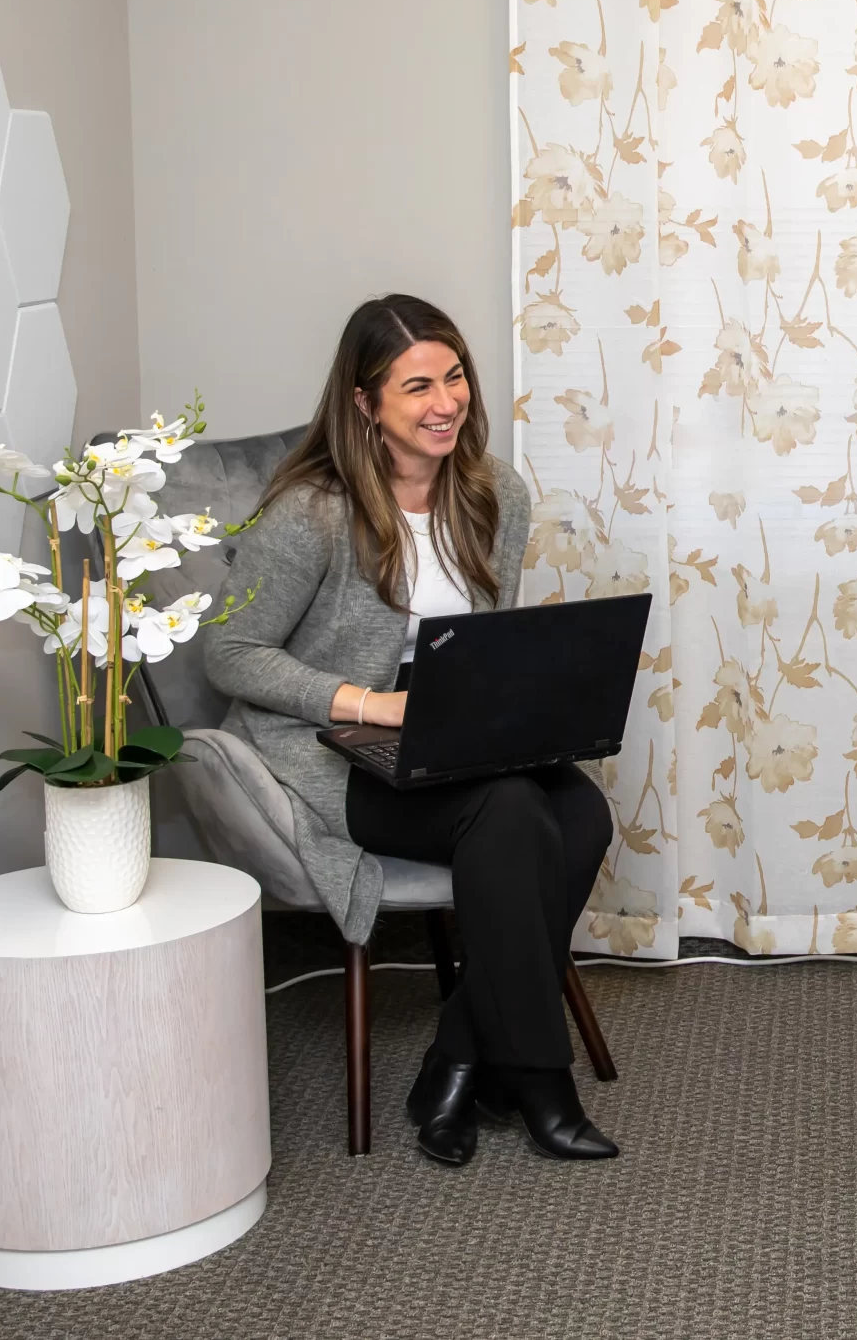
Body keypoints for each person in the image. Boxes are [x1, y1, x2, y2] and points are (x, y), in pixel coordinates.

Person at [206, 294, 616, 1167]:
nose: (445, 402)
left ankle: (459, 1058)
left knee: (582, 814)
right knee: (506, 810)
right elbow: (230, 655)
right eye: (416, 385)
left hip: (456, 730)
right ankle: (541, 1081)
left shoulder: (495, 492)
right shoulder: (311, 513)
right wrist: (370, 701)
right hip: (335, 745)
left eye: (455, 376)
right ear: (365, 405)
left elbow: (486, 639)